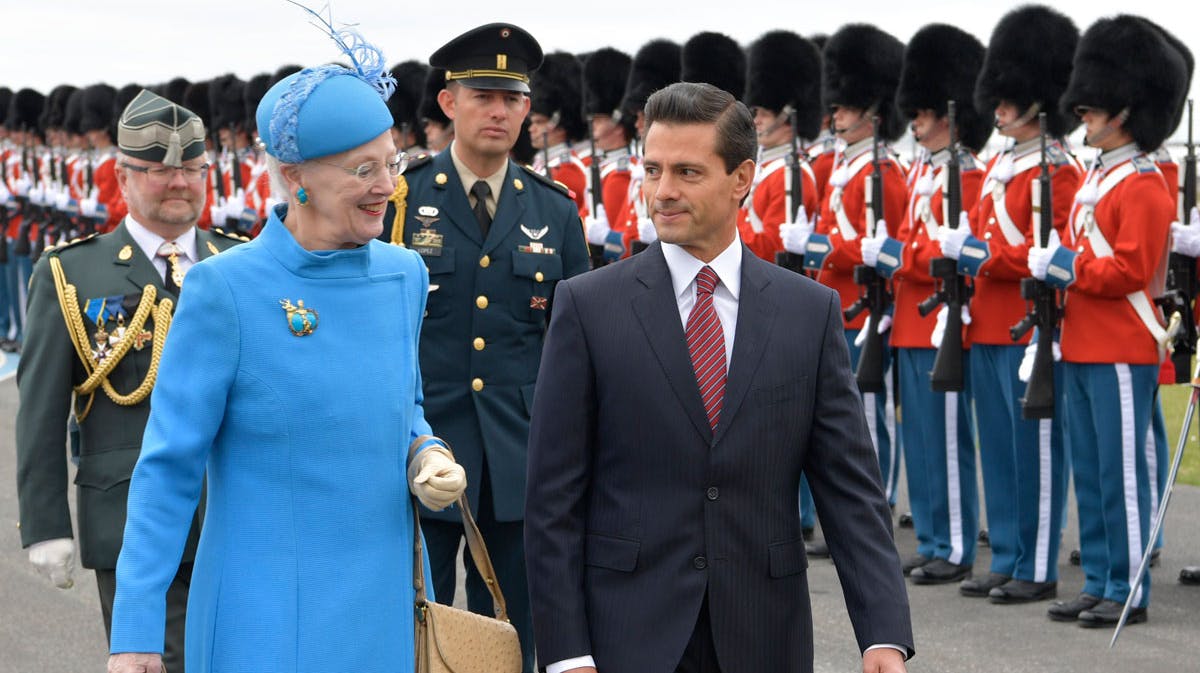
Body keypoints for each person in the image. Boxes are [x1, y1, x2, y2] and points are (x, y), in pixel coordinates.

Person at [104, 19, 467, 673]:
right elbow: (169, 466)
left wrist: (426, 450)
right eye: (364, 169)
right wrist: (136, 629)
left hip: (389, 603)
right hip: (266, 615)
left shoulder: (403, 275)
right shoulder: (226, 290)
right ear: (297, 177)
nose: (388, 184)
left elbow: (403, 405)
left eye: (393, 162)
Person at [525, 80, 913, 673]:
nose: (663, 192)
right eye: (653, 170)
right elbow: (553, 499)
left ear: (742, 178)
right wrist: (565, 653)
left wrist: (882, 633)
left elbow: (850, 491)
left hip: (763, 634)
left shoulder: (809, 312)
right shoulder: (587, 307)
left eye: (687, 172)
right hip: (626, 637)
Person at [15, 88, 244, 673]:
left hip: (239, 516)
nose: (180, 182)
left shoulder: (239, 264)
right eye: (160, 169)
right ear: (123, 174)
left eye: (193, 168)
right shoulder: (72, 271)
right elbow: (40, 408)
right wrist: (46, 524)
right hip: (131, 520)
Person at [385, 22, 589, 673]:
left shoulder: (554, 210)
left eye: (512, 98)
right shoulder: (402, 198)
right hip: (420, 452)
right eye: (482, 96)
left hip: (519, 457)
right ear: (449, 103)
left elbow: (577, 342)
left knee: (516, 630)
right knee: (419, 624)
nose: (498, 111)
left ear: (528, 109)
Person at [1032, 15, 1186, 628]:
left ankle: (1128, 586)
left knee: (1123, 474)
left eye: (1095, 107)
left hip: (1122, 345)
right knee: (1092, 473)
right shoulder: (1102, 176)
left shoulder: (1144, 183)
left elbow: (1130, 268)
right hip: (1082, 343)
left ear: (1126, 109)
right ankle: (1099, 578)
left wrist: (1065, 266)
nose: (1084, 115)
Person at [950, 4, 1082, 604]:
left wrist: (978, 256)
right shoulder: (1005, 164)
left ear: (1038, 100)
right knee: (999, 451)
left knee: (1035, 455)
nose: (998, 107)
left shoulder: (1059, 170)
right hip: (987, 324)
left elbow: (1043, 254)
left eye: (1010, 97)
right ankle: (1006, 554)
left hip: (1030, 328)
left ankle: (1036, 566)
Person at [797, 23, 907, 550]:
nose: (834, 114)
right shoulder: (843, 167)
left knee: (867, 419)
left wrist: (840, 250)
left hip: (866, 308)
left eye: (845, 107)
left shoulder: (883, 171)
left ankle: (873, 509)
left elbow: (888, 252)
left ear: (873, 110)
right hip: (835, 305)